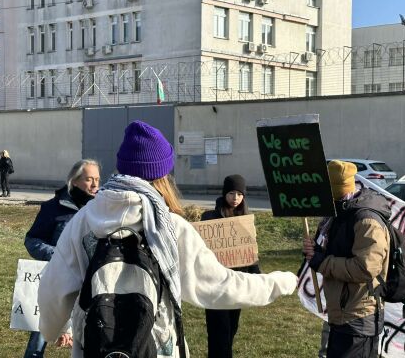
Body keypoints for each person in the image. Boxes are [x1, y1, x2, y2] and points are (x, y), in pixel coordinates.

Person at [37, 121, 297, 358]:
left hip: (96, 348)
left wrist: (50, 331)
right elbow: (221, 285)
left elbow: (52, 289)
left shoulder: (83, 220)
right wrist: (281, 282)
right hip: (156, 347)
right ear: (162, 175)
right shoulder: (170, 227)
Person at [303, 160, 390, 358]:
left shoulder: (366, 220)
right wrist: (316, 252)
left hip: (358, 317)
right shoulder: (340, 214)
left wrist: (322, 262)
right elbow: (340, 250)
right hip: (343, 314)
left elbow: (365, 267)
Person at [23, 159, 101, 358]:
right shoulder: (53, 208)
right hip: (57, 282)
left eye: (98, 180)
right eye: (89, 179)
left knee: (91, 338)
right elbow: (32, 239)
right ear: (74, 181)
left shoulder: (101, 210)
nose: (94, 185)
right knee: (41, 333)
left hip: (92, 286)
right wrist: (56, 255)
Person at [201, 174, 261, 358]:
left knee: (231, 329)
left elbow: (250, 250)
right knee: (219, 331)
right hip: (215, 284)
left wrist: (256, 275)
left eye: (239, 194)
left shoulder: (246, 218)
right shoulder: (209, 217)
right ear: (224, 193)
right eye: (231, 193)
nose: (235, 198)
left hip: (237, 283)